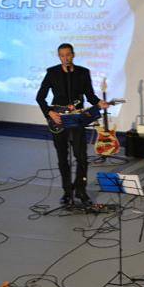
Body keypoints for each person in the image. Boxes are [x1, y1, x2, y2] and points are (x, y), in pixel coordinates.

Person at [36, 43, 108, 206]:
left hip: (76, 119)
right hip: (58, 119)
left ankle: (81, 190)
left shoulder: (83, 72)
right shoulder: (52, 72)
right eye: (62, 55)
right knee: (63, 157)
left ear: (73, 55)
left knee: (81, 156)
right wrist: (49, 112)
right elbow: (40, 97)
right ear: (59, 56)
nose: (65, 58)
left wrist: (99, 103)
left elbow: (90, 96)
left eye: (68, 55)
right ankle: (67, 192)